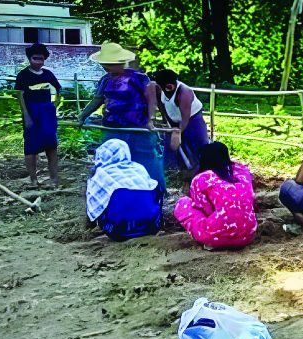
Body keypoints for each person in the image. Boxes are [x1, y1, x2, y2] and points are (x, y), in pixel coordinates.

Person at [77, 42, 165, 195]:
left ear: (120, 62)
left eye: (111, 64)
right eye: (105, 65)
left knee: (146, 159)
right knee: (110, 161)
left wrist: (151, 119)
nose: (107, 68)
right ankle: (111, 191)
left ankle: (157, 191)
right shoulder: (105, 80)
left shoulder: (139, 78)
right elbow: (97, 99)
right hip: (112, 128)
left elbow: (152, 99)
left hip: (138, 127)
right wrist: (82, 115)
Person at [174, 142, 257, 250]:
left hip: (216, 237)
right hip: (248, 234)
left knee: (183, 203)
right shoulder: (243, 171)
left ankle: (213, 239)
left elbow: (204, 209)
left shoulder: (202, 178)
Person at [86, 139, 161, 241]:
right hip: (150, 224)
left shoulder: (101, 174)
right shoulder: (139, 168)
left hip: (118, 230)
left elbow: (94, 205)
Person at [15, 43, 62, 188]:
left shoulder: (48, 74)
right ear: (30, 58)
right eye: (35, 58)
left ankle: (54, 178)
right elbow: (20, 96)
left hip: (47, 113)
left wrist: (55, 105)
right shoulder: (23, 75)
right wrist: (26, 116)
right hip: (31, 112)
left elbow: (59, 89)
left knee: (51, 145)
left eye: (41, 59)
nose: (38, 62)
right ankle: (34, 180)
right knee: (30, 147)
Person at [151, 68, 209, 172]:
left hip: (192, 119)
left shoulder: (184, 93)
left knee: (199, 144)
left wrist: (177, 132)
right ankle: (171, 171)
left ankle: (204, 170)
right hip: (173, 119)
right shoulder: (159, 88)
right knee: (170, 146)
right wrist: (166, 120)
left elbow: (185, 118)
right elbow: (162, 104)